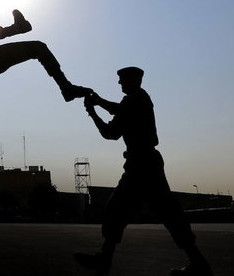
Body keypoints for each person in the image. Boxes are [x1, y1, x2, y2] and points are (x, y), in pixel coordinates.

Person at [74, 66, 212, 276]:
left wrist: (94, 108)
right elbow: (115, 122)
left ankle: (104, 259)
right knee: (167, 214)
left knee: (118, 210)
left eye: (122, 80)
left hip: (142, 165)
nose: (119, 84)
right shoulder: (137, 100)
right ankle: (198, 263)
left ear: (133, 80)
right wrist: (96, 106)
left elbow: (111, 131)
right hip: (146, 164)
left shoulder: (136, 100)